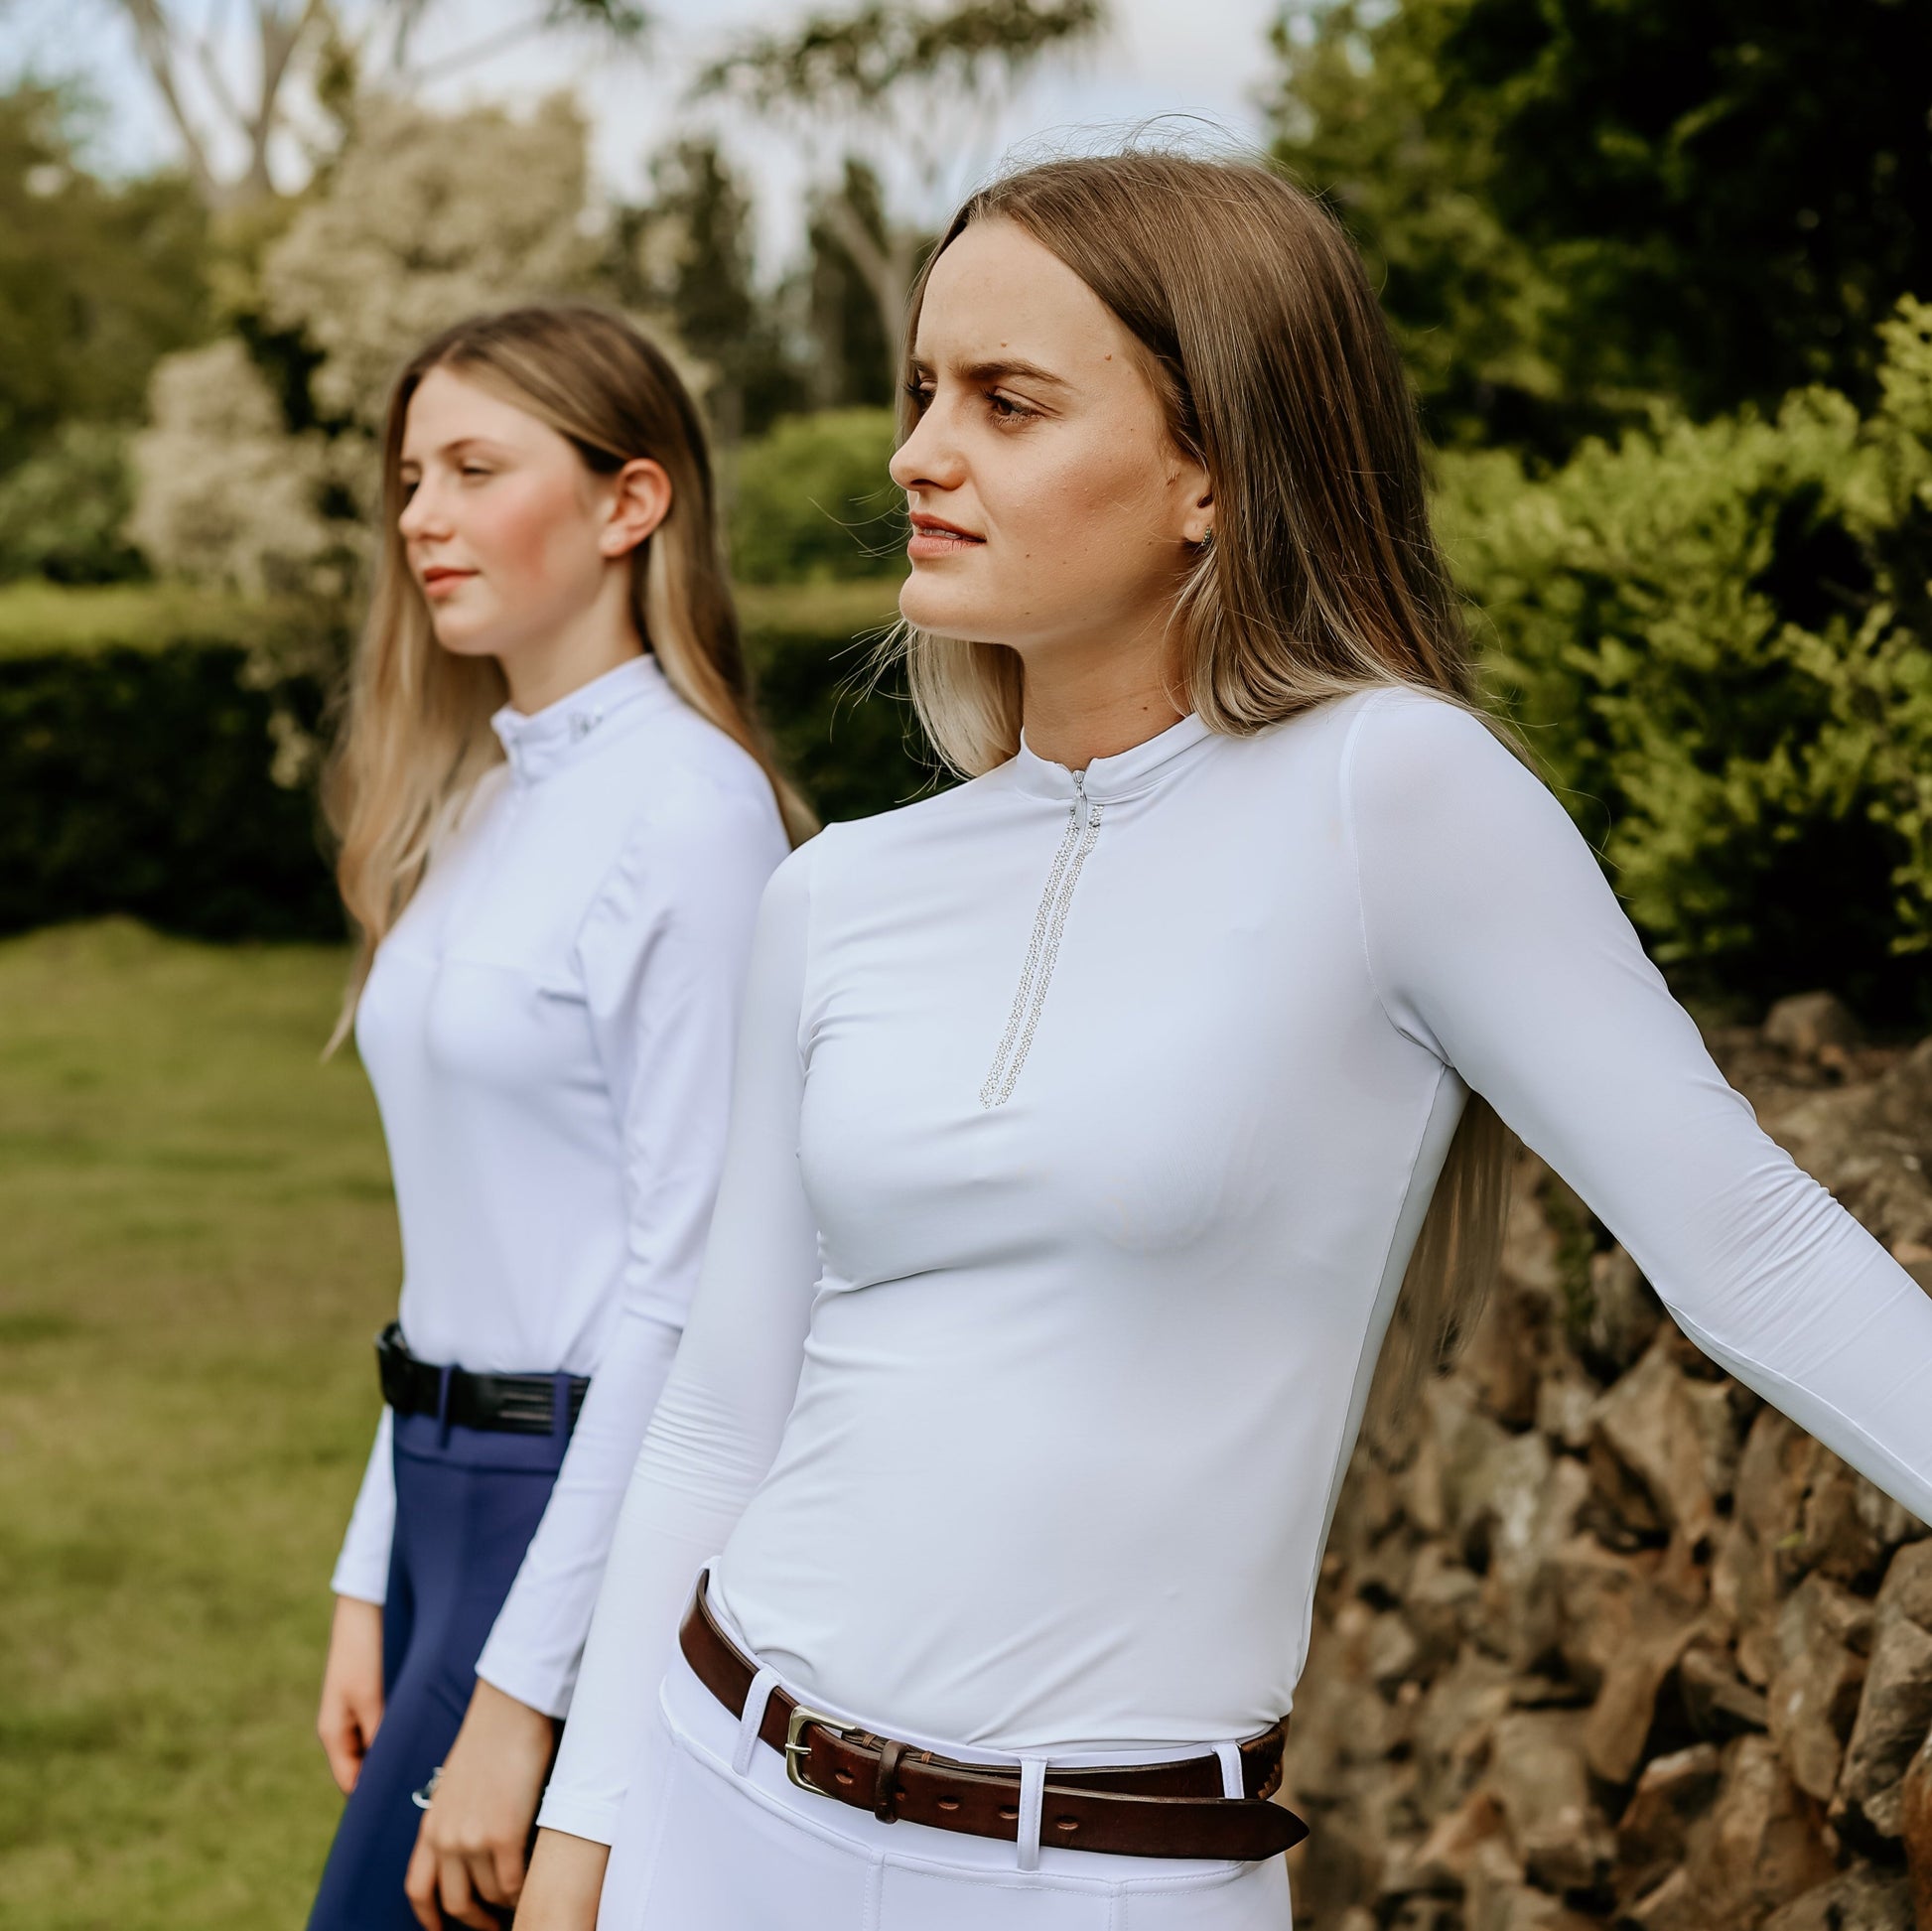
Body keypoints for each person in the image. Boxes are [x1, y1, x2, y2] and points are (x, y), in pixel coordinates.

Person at [515, 152, 1932, 1931]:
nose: (916, 454)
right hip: (717, 1801)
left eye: (1006, 401)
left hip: (1106, 1876)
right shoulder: (837, 893)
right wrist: (587, 1834)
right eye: (921, 391)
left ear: (1213, 471)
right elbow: (723, 1411)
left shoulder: (1394, 796)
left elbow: (1756, 1246)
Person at [307, 304, 802, 1931]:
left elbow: (691, 1285)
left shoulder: (694, 813)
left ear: (627, 502)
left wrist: (522, 1696)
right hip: (440, 1498)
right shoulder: (479, 797)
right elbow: (456, 1236)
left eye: (473, 468)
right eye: (408, 477)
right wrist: (369, 1573)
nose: (420, 516)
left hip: (569, 1509)